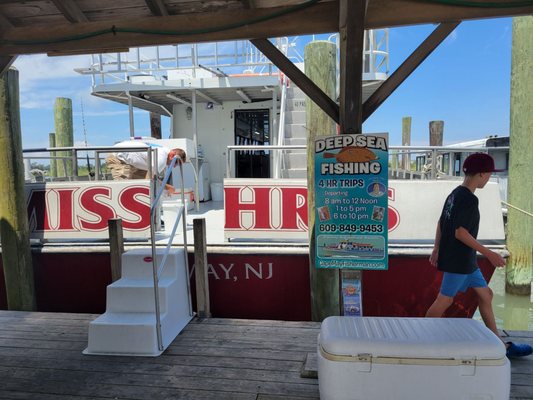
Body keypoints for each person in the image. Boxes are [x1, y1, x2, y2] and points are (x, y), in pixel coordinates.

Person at [425, 152, 532, 358]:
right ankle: (421, 341)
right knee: (443, 301)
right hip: (459, 261)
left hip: (467, 261)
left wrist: (437, 248)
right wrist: (489, 253)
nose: (490, 177)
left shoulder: (455, 194)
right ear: (481, 174)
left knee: (486, 295)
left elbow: (441, 223)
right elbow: (460, 232)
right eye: (490, 174)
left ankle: (500, 345)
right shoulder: (469, 200)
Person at [106, 140, 186, 193]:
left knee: (138, 184)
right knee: (123, 189)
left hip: (130, 162)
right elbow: (150, 180)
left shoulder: (161, 152)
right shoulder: (162, 157)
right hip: (118, 158)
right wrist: (167, 188)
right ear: (172, 155)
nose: (174, 166)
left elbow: (151, 178)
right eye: (176, 162)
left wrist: (166, 187)